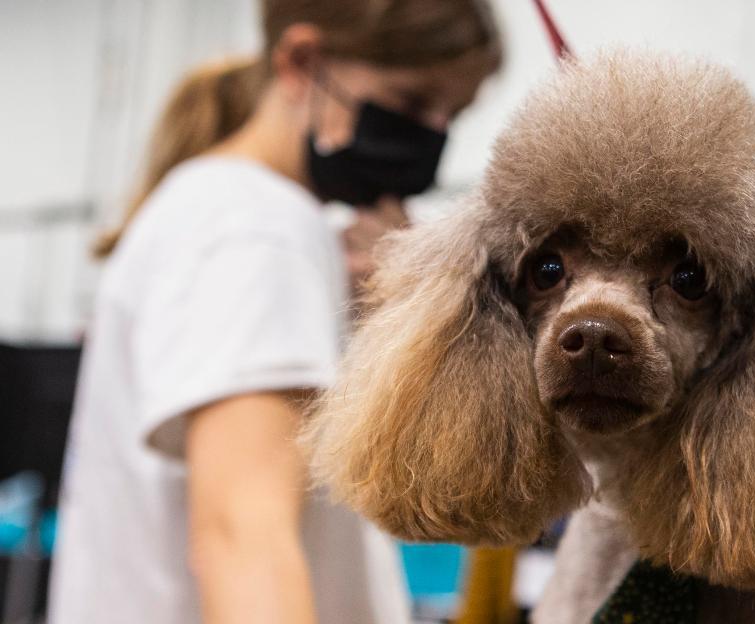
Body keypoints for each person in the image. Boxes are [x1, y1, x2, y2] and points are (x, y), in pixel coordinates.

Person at [48, 1, 500, 622]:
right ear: (302, 62)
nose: (434, 133)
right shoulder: (257, 231)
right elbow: (244, 538)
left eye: (453, 113)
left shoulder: (222, 208)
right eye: (412, 101)